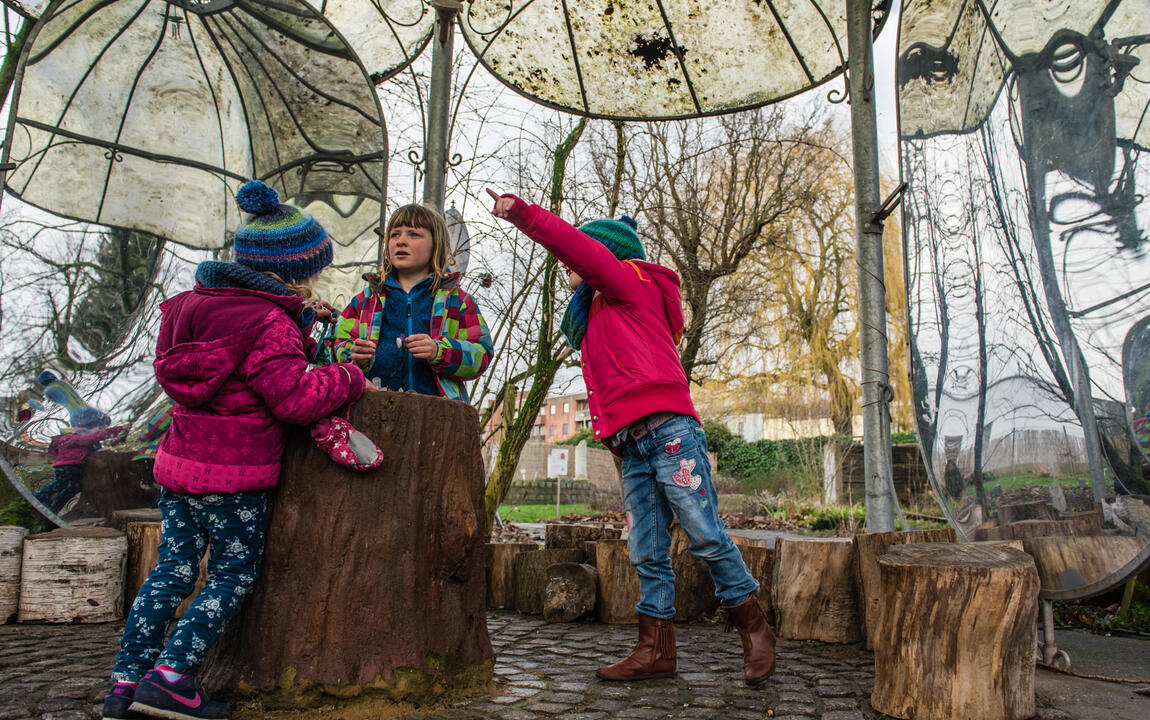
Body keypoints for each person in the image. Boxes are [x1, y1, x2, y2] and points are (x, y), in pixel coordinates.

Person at [102, 180, 374, 720]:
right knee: (231, 573)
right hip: (236, 475)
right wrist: (349, 375)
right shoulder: (269, 321)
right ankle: (172, 677)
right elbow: (293, 397)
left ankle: (125, 683)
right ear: (293, 271)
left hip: (178, 465)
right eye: (313, 269)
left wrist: (300, 322)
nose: (316, 279)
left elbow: (228, 364)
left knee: (171, 570)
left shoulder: (185, 309)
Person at [487, 188, 775, 685]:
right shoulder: (598, 313)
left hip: (669, 432)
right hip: (631, 444)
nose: (571, 267)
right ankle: (656, 648)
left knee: (703, 532)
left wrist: (524, 214)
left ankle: (753, 625)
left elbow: (579, 251)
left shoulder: (632, 283)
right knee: (645, 547)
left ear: (608, 256)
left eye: (585, 254)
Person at [331, 203, 493, 400]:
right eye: (395, 234)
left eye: (413, 234)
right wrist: (353, 355)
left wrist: (439, 351)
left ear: (436, 244)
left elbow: (481, 355)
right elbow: (338, 345)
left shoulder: (458, 301)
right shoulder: (365, 300)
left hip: (437, 415)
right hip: (372, 411)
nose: (401, 241)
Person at [35, 423, 128, 514]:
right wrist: (118, 429)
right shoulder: (74, 438)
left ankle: (52, 506)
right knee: (60, 484)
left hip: (65, 465)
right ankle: (39, 497)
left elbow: (88, 448)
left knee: (72, 487)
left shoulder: (68, 440)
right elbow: (93, 437)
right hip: (70, 466)